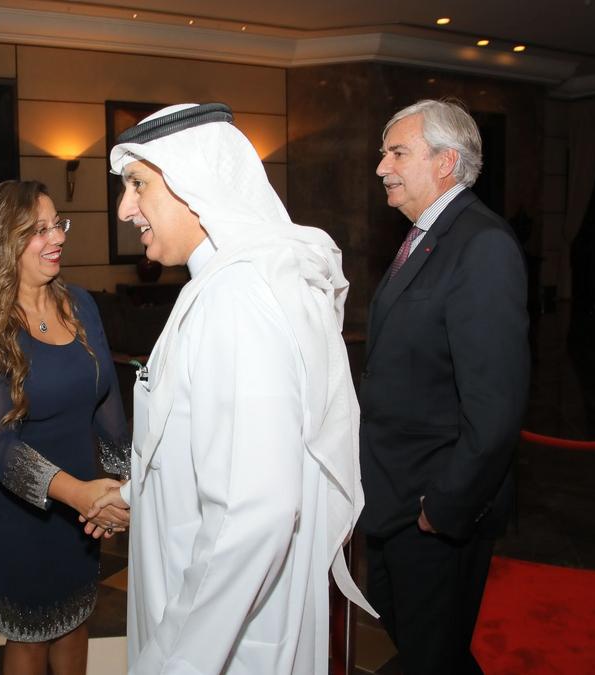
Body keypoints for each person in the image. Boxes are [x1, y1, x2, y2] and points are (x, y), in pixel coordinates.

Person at [94, 103, 372, 674]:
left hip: (218, 645)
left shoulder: (238, 299)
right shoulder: (227, 284)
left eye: (138, 184)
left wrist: (175, 663)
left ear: (195, 182)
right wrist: (134, 494)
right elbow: (219, 446)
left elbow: (254, 512)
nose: (125, 208)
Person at [359, 99, 530, 675]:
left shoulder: (482, 244)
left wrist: (447, 506)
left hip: (434, 503)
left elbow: (496, 404)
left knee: (433, 651)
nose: (381, 166)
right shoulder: (425, 236)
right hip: (396, 494)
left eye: (397, 153)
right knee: (421, 640)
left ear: (445, 161)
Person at [0, 180, 130, 675]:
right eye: (39, 230)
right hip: (14, 500)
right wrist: (81, 496)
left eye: (57, 224)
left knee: (75, 616)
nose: (58, 238)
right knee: (30, 634)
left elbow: (107, 401)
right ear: (3, 242)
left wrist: (126, 486)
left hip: (83, 490)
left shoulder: (81, 304)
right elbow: (0, 447)